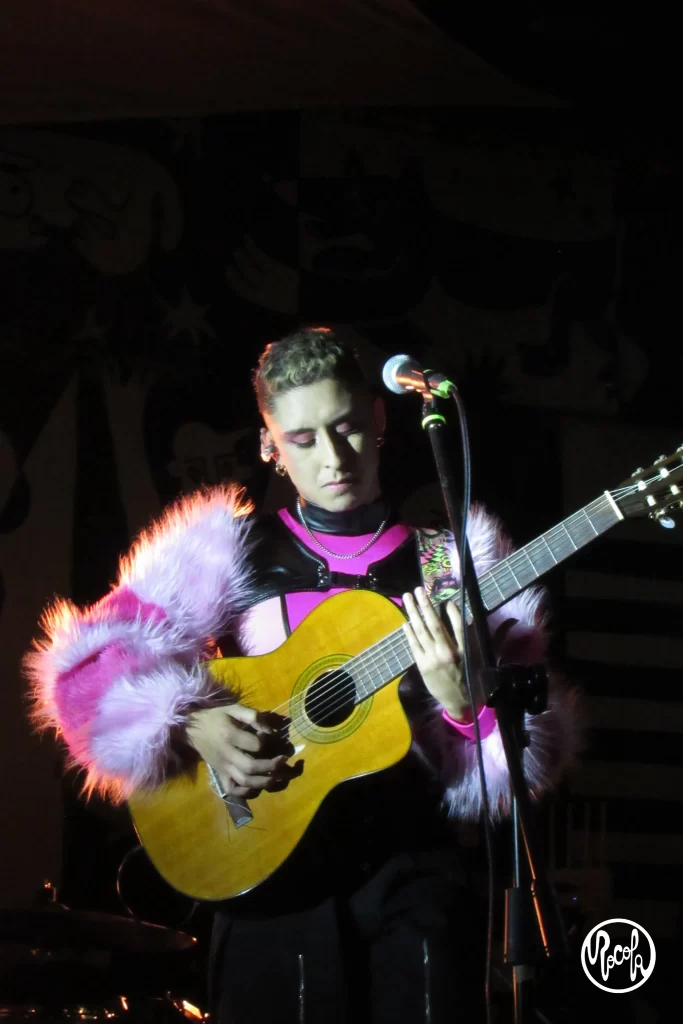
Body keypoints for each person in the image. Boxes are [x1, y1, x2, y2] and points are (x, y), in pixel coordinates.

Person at [25, 327, 580, 1023]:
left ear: (379, 420)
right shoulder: (226, 553)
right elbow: (85, 670)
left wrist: (465, 707)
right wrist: (189, 718)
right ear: (269, 444)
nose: (333, 457)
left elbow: (528, 747)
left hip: (413, 882)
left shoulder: (452, 567)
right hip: (267, 881)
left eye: (346, 427)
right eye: (303, 437)